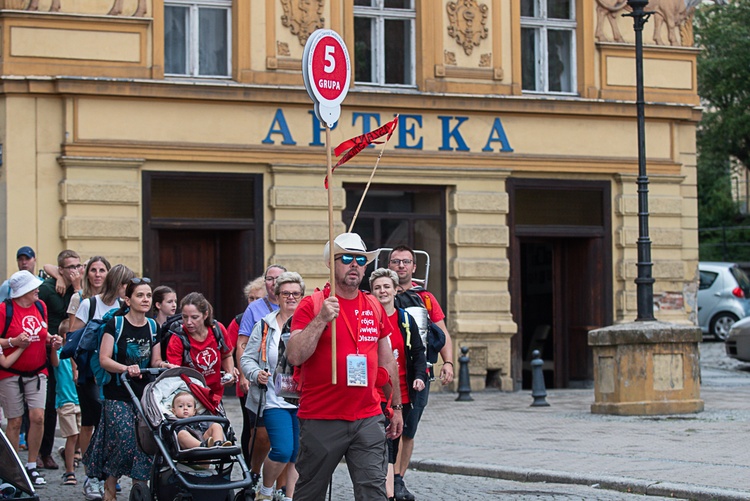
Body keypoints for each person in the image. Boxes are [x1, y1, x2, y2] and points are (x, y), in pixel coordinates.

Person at [287, 233, 403, 501]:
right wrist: (321, 320)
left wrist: (396, 407)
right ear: (331, 263)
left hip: (368, 415)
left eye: (360, 260)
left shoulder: (374, 305)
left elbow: (388, 361)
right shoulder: (312, 304)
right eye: (347, 258)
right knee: (310, 492)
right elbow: (295, 355)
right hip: (321, 417)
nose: (355, 265)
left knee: (373, 491)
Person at [82, 277, 169, 501]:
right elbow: (104, 359)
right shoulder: (116, 324)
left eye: (148, 295)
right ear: (127, 299)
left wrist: (163, 365)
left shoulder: (153, 326)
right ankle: (110, 484)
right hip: (117, 394)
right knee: (124, 441)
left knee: (145, 443)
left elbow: (155, 360)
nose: (145, 299)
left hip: (143, 396)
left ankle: (140, 490)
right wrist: (125, 368)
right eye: (140, 295)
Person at [387, 245, 454, 501]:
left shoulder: (425, 297)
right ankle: (383, 477)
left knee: (409, 429)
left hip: (418, 372)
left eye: (406, 262)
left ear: (414, 267)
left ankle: (398, 478)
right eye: (396, 261)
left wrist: (448, 362)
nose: (401, 266)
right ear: (389, 264)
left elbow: (441, 331)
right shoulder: (378, 292)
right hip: (384, 372)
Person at [73, 263, 136, 501]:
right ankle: (91, 476)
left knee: (109, 425)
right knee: (90, 422)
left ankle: (107, 473)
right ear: (120, 285)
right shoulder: (90, 304)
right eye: (128, 285)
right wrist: (76, 370)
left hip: (113, 376)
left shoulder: (124, 306)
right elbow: (75, 340)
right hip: (90, 373)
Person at [241, 271, 305, 501]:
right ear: (276, 296)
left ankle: (289, 496)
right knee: (282, 449)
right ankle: (266, 490)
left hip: (303, 398)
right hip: (273, 398)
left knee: (297, 453)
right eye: (286, 293)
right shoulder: (264, 326)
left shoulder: (308, 324)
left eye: (296, 294)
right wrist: (255, 373)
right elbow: (246, 358)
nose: (291, 298)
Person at [370, 268, 428, 501]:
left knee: (394, 441)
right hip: (374, 392)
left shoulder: (405, 319)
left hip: (401, 392)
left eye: (386, 287)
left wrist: (420, 377)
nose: (382, 291)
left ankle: (391, 489)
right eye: (377, 287)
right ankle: (383, 489)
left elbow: (418, 351)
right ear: (371, 292)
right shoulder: (367, 318)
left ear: (396, 290)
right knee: (375, 441)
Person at [0, 270, 63, 485]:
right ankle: (12, 469)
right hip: (10, 373)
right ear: (22, 291)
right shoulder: (4, 310)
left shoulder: (40, 306)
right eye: (34, 287)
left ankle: (32, 465)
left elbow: (41, 332)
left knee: (38, 417)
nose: (38, 290)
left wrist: (52, 340)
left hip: (38, 371)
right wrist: (13, 342)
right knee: (15, 421)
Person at [235, 264, 286, 487]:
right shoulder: (255, 308)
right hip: (261, 380)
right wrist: (246, 375)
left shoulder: (297, 307)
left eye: (278, 278)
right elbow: (242, 344)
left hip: (287, 383)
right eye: (269, 278)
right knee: (261, 434)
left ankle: (283, 488)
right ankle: (254, 473)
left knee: (287, 441)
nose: (273, 282)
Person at [37, 249, 83, 471]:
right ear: (62, 270)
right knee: (48, 403)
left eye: (78, 266)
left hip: (76, 350)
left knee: (77, 404)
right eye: (71, 267)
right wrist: (56, 275)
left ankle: (74, 449)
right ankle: (43, 452)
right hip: (50, 348)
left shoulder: (79, 289)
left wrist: (75, 287)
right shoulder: (49, 288)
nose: (76, 270)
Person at [166, 292, 239, 399]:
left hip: (216, 392)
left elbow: (226, 355)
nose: (189, 322)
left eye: (194, 317)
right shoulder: (178, 338)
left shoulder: (217, 329)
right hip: (190, 394)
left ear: (205, 315)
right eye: (185, 317)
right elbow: (175, 372)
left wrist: (229, 373)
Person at [50, 318, 81, 487]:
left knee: (81, 437)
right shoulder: (61, 353)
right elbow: (54, 362)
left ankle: (69, 458)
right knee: (72, 436)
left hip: (80, 400)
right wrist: (55, 347)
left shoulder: (79, 354)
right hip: (66, 400)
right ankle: (69, 471)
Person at [67, 257, 111, 322]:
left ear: (108, 274)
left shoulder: (115, 299)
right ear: (87, 274)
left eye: (102, 270)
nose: (97, 274)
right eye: (93, 270)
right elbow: (73, 331)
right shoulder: (77, 298)